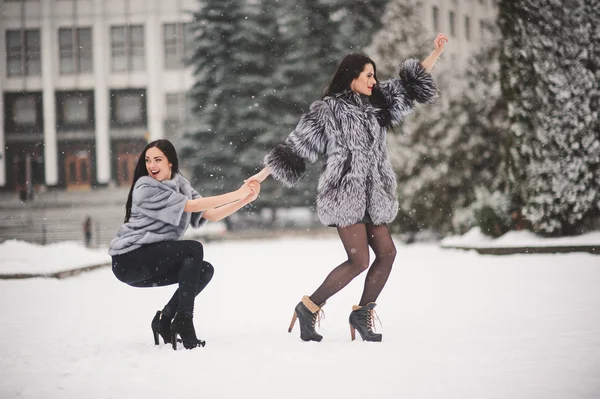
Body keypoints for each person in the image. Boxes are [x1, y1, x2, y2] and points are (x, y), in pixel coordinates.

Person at [247, 34, 449, 342]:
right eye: (368, 75)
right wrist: (261, 177)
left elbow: (410, 87)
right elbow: (296, 148)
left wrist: (435, 52)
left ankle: (362, 312)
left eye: (374, 75)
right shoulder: (328, 110)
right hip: (344, 193)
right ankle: (310, 306)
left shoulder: (379, 103)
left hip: (375, 194)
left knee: (388, 253)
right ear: (351, 76)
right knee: (359, 261)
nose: (374, 80)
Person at [108, 139, 260, 350]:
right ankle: (184, 320)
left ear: (170, 162)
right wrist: (237, 192)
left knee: (204, 270)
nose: (152, 165)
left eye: (158, 160)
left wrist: (245, 199)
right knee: (193, 249)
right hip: (129, 260)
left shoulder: (181, 185)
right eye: (148, 160)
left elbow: (212, 214)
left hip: (150, 258)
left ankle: (165, 318)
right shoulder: (145, 187)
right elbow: (192, 205)